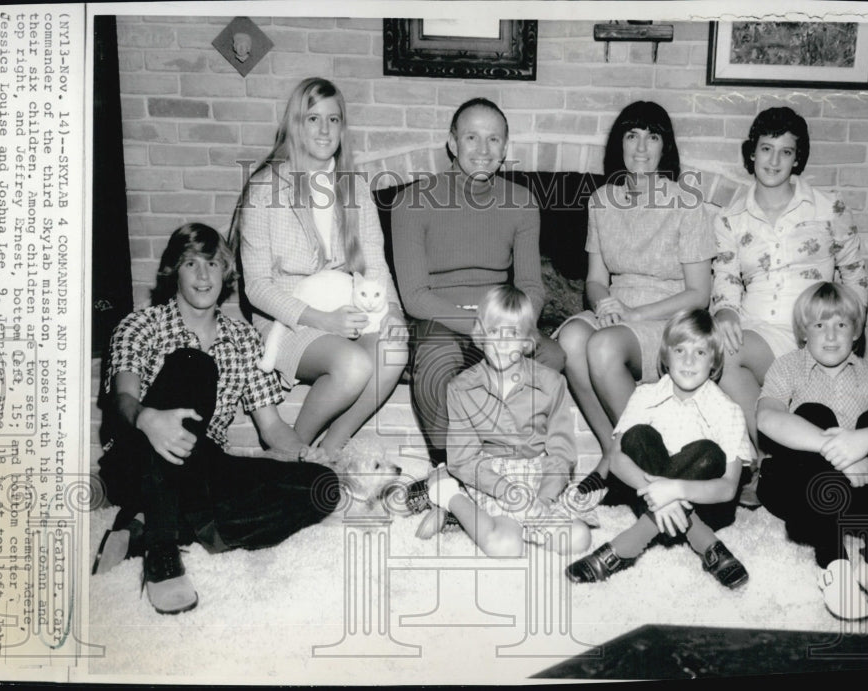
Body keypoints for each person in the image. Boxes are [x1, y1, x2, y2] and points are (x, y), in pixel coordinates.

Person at [95, 223, 340, 615]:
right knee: (193, 366)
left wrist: (308, 457)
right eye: (191, 264)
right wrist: (147, 418)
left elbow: (273, 428)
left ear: (225, 272)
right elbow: (122, 400)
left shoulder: (243, 339)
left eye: (212, 263)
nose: (204, 275)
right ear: (174, 271)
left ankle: (149, 523)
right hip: (137, 456)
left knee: (322, 487)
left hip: (201, 464)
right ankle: (162, 551)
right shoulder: (140, 324)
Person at [392, 97, 566, 505]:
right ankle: (448, 470)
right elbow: (415, 297)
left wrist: (512, 328)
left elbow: (531, 285)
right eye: (471, 137)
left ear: (506, 148)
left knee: (552, 357)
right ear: (452, 142)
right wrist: (480, 329)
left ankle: (512, 461)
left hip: (503, 318)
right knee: (438, 364)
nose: (483, 149)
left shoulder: (521, 202)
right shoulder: (412, 202)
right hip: (440, 318)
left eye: (494, 139)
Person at [231, 77, 407, 460]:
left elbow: (376, 264)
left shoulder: (355, 189)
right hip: (285, 320)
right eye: (313, 118)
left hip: (347, 311)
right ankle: (294, 452)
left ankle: (331, 450)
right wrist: (322, 320)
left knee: (395, 349)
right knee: (353, 364)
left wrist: (393, 313)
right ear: (296, 124)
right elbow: (257, 288)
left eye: (333, 119)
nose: (325, 129)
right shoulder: (264, 189)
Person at [556, 101, 715, 499]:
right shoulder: (602, 201)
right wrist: (605, 304)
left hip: (667, 313)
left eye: (653, 136)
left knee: (603, 346)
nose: (641, 147)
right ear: (619, 144)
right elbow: (595, 280)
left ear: (666, 147)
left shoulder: (687, 203)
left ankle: (648, 465)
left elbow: (699, 293)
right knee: (571, 339)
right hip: (617, 307)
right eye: (632, 136)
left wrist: (633, 313)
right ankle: (615, 452)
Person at [756, 282, 868, 621]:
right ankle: (832, 564)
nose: (831, 336)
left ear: (856, 332)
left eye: (841, 325)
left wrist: (864, 440)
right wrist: (834, 448)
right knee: (813, 414)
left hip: (864, 490)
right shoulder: (787, 367)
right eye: (820, 325)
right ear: (804, 332)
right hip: (801, 488)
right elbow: (766, 418)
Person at [712, 107, 868, 464]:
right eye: (766, 148)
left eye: (786, 151)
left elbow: (855, 275)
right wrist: (723, 311)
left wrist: (847, 330)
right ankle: (770, 457)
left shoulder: (830, 209)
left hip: (811, 329)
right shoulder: (729, 218)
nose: (774, 160)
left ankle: (781, 459)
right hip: (758, 330)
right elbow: (726, 277)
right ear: (752, 153)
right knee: (722, 349)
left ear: (797, 159)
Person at [565, 309, 753, 588]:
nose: (688, 361)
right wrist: (658, 492)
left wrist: (674, 490)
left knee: (708, 452)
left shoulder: (728, 411)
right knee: (639, 435)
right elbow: (616, 459)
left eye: (700, 353)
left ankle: (624, 547)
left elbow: (727, 488)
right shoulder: (645, 396)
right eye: (680, 350)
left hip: (706, 507)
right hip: (647, 496)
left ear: (714, 360)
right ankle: (707, 544)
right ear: (665, 355)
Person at [419, 286, 591, 557]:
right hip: (491, 476)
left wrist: (544, 499)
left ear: (526, 341)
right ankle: (450, 494)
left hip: (539, 475)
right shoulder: (461, 388)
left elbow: (562, 452)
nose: (500, 343)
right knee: (506, 546)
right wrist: (506, 490)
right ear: (480, 335)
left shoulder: (552, 383)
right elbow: (464, 459)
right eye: (493, 332)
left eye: (511, 334)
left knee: (578, 538)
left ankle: (492, 520)